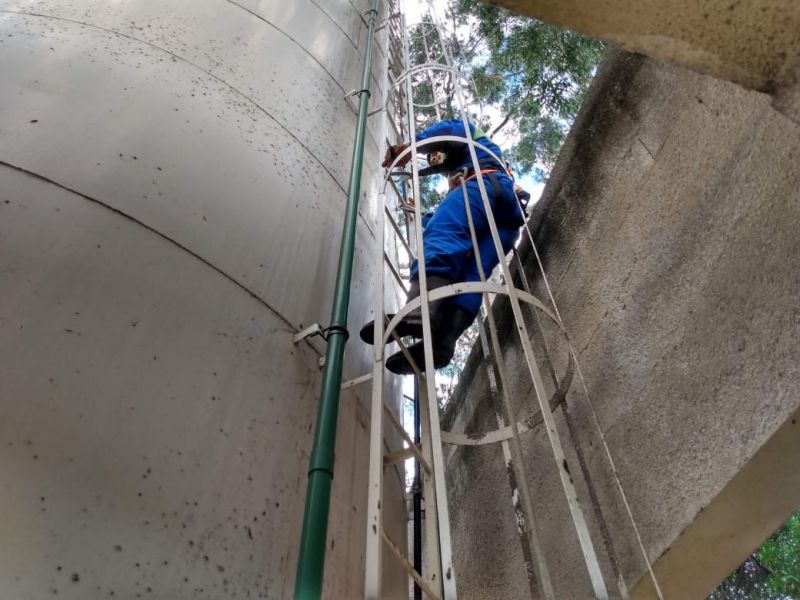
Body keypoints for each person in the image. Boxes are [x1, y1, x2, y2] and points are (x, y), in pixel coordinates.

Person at [361, 119, 524, 375]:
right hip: (508, 217)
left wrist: (412, 147)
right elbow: (446, 219)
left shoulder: (469, 137)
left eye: (436, 156)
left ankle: (418, 312)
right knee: (472, 275)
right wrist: (423, 216)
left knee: (444, 234)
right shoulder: (478, 167)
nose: (434, 158)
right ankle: (443, 343)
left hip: (485, 185)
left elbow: (448, 131)